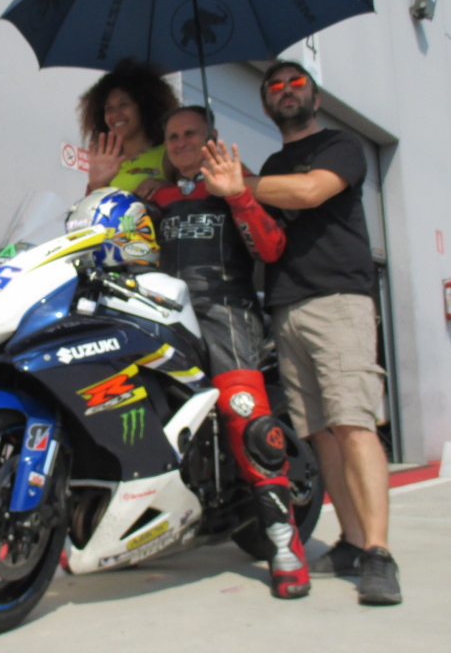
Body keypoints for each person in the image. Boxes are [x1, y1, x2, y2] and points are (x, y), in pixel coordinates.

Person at [235, 59, 401, 605]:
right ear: (266, 104)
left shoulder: (341, 146)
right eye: (275, 87)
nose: (286, 91)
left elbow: (309, 192)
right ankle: (351, 542)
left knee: (353, 424)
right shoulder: (272, 166)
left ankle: (379, 553)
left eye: (296, 83)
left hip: (339, 301)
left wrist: (245, 184)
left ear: (315, 97)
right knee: (321, 433)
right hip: (286, 306)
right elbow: (268, 237)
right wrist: (239, 195)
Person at [152, 106, 311, 600]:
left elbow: (272, 248)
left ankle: (283, 543)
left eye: (191, 134)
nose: (181, 142)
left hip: (226, 309)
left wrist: (238, 193)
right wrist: (97, 185)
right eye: (172, 136)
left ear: (212, 138)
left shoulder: (238, 184)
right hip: (163, 310)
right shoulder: (156, 197)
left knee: (247, 417)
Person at [79, 58, 179, 198]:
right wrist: (95, 185)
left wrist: (164, 186)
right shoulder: (106, 162)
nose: (116, 114)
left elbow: (189, 193)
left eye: (123, 105)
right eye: (109, 108)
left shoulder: (168, 153)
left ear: (142, 106)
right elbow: (90, 209)